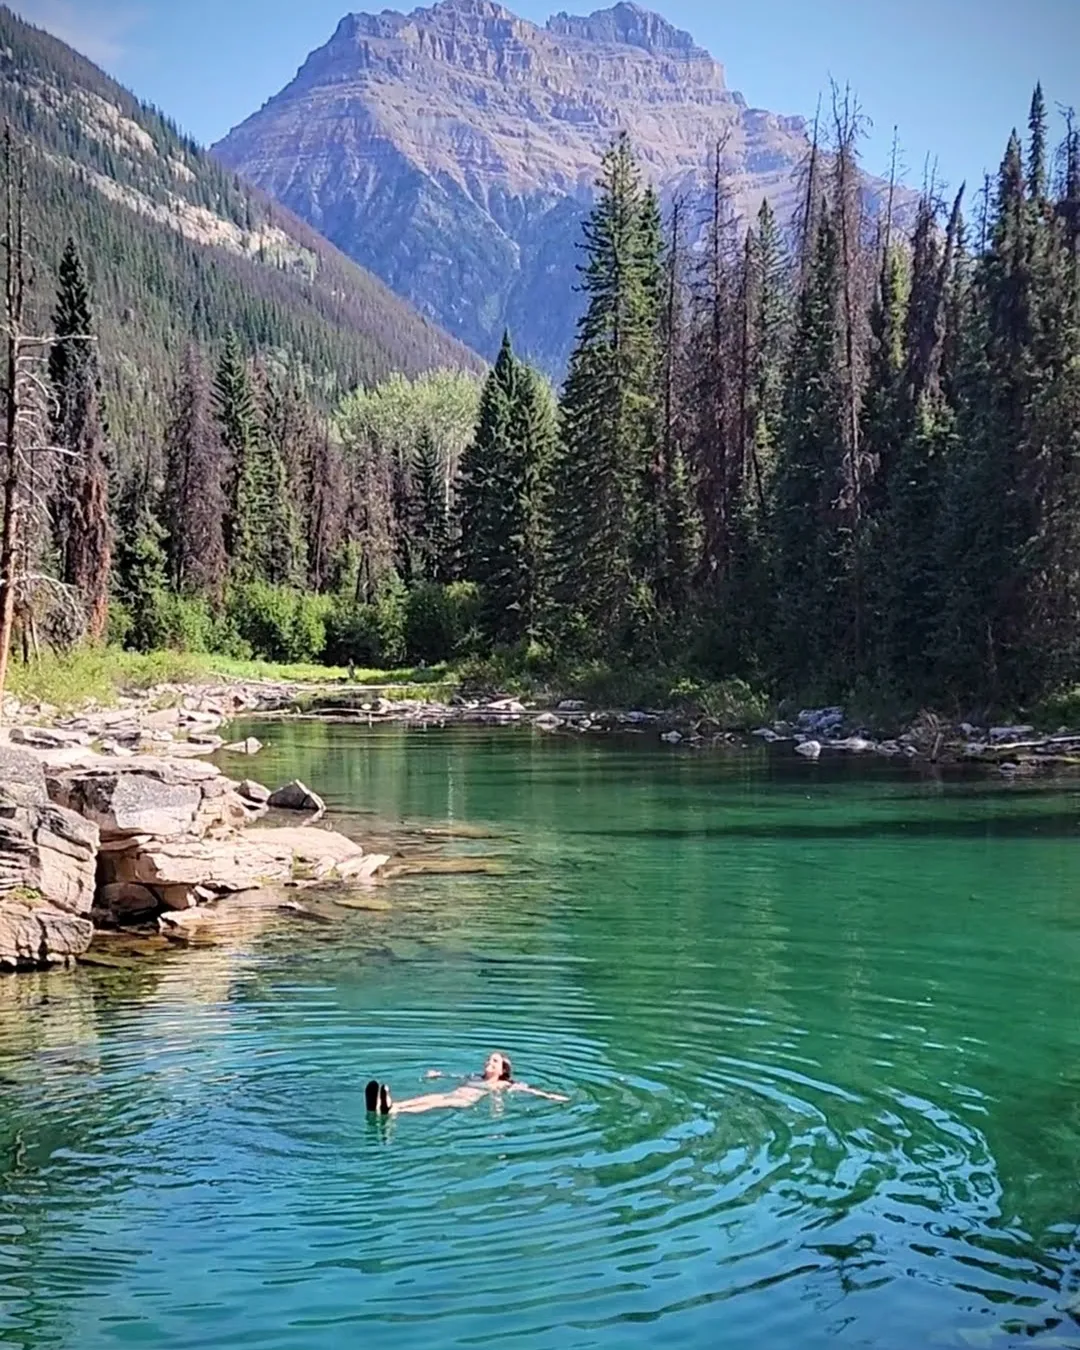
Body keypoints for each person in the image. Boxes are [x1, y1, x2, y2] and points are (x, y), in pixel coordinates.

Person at [365, 1052, 567, 1115]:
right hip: (452, 1093)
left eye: (495, 1061)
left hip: (463, 1102)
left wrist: (552, 1096)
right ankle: (391, 1105)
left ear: (503, 1070)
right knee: (429, 1097)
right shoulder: (474, 1077)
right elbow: (456, 1076)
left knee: (433, 1103)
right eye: (488, 1059)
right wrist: (439, 1074)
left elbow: (529, 1090)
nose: (489, 1062)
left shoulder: (503, 1085)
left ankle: (394, 1112)